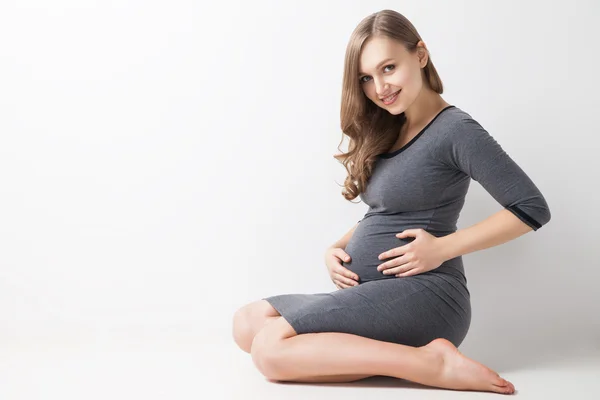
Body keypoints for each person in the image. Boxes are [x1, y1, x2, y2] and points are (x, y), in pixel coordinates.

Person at [232, 9, 550, 394]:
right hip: (372, 292)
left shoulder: (455, 130)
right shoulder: (391, 127)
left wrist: (441, 248)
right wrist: (339, 246)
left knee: (269, 350)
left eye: (388, 68)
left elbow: (530, 208)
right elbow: (386, 210)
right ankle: (386, 357)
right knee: (247, 323)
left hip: (427, 296)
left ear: (420, 54)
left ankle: (429, 362)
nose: (380, 87)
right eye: (366, 77)